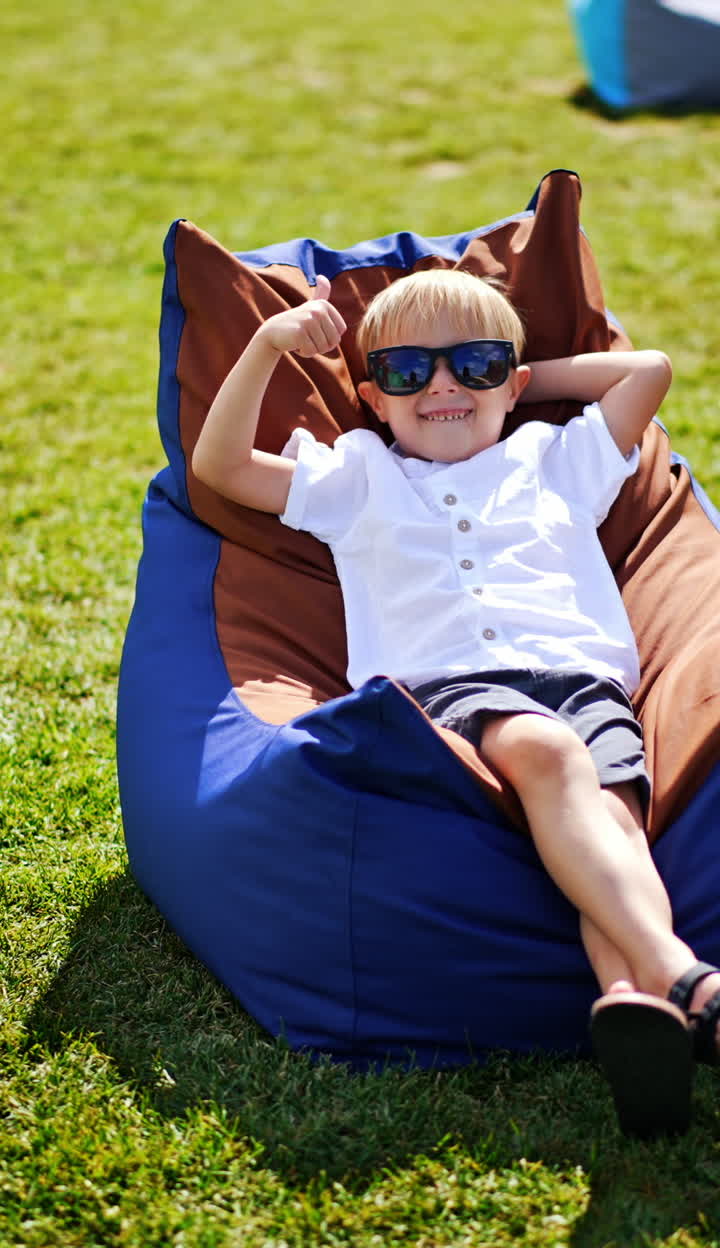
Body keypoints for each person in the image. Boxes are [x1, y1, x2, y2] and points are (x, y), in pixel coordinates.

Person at [192, 267, 720, 1137]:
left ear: (512, 384)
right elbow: (220, 468)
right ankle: (683, 972)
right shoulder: (356, 475)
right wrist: (271, 345)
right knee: (551, 755)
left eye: (470, 365)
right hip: (445, 687)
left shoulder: (554, 457)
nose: (441, 386)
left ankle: (639, 1010)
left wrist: (519, 377)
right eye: (407, 372)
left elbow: (647, 370)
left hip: (582, 676)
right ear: (373, 397)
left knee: (616, 827)